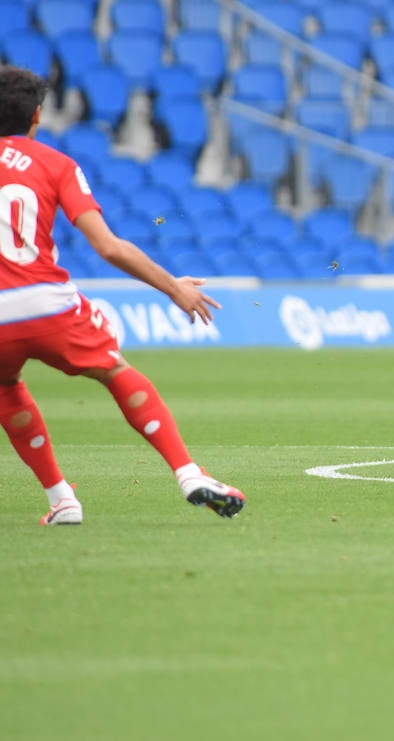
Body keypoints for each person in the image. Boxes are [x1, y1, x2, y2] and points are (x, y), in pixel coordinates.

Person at [0, 66, 244, 525]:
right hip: (45, 300)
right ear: (36, 116)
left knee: (4, 387)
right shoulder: (55, 164)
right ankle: (188, 473)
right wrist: (174, 288)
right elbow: (108, 246)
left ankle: (61, 500)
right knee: (114, 371)